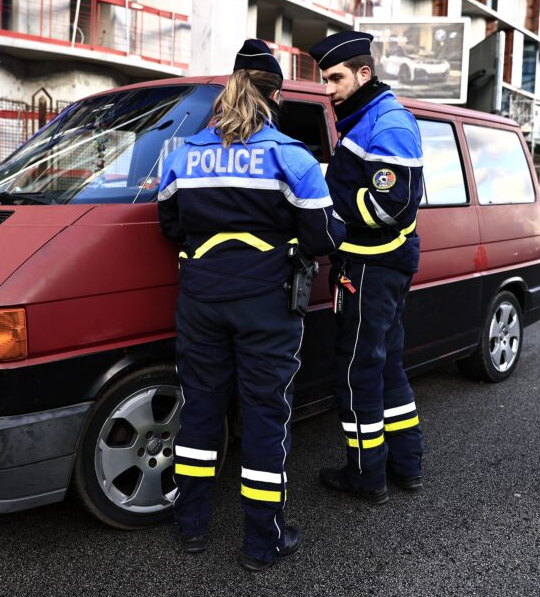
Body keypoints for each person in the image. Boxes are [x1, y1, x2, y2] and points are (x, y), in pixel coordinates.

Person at [157, 39, 344, 571]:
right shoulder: (290, 156)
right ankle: (264, 541)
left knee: (200, 411)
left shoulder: (184, 154)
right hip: (266, 303)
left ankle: (190, 527)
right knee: (265, 415)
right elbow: (324, 234)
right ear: (276, 95)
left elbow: (169, 225)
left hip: (199, 300)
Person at [308, 31, 424, 504]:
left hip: (371, 265)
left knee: (357, 372)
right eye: (325, 80)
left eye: (335, 78)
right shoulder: (369, 118)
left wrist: (328, 201)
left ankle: (366, 476)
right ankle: (406, 466)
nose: (328, 89)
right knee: (386, 365)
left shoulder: (387, 122)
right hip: (379, 263)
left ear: (363, 73)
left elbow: (390, 205)